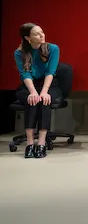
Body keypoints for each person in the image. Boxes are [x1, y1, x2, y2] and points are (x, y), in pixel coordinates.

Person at [14, 23, 61, 159]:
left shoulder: (53, 49)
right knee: (32, 100)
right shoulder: (19, 52)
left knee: (44, 100)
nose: (42, 36)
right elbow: (25, 74)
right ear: (28, 38)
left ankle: (41, 143)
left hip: (49, 84)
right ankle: (30, 143)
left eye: (42, 32)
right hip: (29, 85)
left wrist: (44, 91)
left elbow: (50, 71)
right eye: (36, 34)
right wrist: (33, 92)